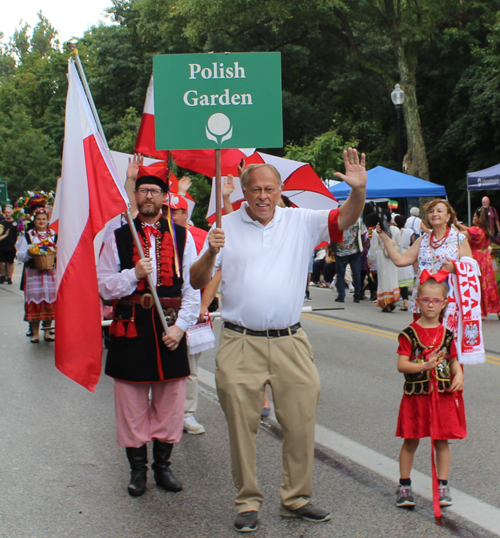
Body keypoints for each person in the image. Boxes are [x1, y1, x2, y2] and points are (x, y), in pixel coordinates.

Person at [190, 148, 367, 533]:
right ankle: (247, 501)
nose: (263, 196)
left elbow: (345, 219)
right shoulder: (225, 226)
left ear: (281, 189)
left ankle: (296, 498)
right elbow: (197, 280)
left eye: (270, 189)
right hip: (239, 342)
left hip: (290, 341)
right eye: (255, 189)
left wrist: (358, 191)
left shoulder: (300, 221)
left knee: (301, 420)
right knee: (241, 425)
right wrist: (211, 252)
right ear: (244, 190)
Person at [97, 165, 200, 497]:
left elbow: (193, 290)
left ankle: (162, 467)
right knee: (131, 402)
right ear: (136, 195)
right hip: (131, 326)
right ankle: (137, 470)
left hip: (169, 325)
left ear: (164, 197)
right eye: (143, 191)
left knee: (171, 403)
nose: (148, 197)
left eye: (154, 191)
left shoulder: (182, 236)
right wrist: (132, 274)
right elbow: (103, 286)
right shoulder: (118, 236)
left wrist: (182, 327)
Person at [395, 273, 466, 510]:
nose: (431, 305)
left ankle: (443, 486)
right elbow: (401, 364)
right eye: (426, 300)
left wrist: (459, 374)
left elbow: (453, 360)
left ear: (444, 303)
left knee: (442, 441)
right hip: (417, 397)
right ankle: (404, 486)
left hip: (442, 396)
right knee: (411, 441)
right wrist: (423, 366)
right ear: (418, 301)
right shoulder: (409, 333)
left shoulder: (447, 334)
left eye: (436, 301)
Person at [163, 193, 217, 435]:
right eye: (166, 211)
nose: (170, 216)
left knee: (190, 368)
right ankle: (162, 413)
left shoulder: (202, 237)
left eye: (174, 212)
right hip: (165, 313)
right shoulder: (155, 236)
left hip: (193, 312)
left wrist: (203, 305)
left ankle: (187, 413)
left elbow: (217, 272)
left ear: (186, 214)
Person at [376, 199, 473, 314]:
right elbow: (400, 260)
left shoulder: (458, 239)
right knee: (422, 331)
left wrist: (455, 268)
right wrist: (385, 238)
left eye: (439, 211)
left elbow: (471, 269)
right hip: (424, 300)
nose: (435, 214)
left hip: (448, 301)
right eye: (431, 211)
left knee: (445, 332)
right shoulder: (423, 240)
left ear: (448, 217)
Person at [16, 208, 57, 342]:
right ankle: (34, 334)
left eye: (44, 219)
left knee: (50, 302)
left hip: (50, 273)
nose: (41, 222)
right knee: (34, 302)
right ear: (34, 220)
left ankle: (47, 332)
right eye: (39, 219)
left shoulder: (53, 234)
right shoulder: (28, 235)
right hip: (33, 273)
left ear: (47, 220)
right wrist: (30, 253)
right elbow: (20, 255)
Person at [455, 207, 500, 319]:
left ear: (480, 218)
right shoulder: (486, 229)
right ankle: (496, 309)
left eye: (475, 216)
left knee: (477, 284)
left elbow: (460, 234)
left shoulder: (476, 230)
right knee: (489, 284)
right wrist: (458, 224)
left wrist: (452, 225)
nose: (474, 218)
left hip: (477, 259)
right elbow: (469, 229)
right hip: (486, 259)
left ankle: (481, 310)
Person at [368, 211, 401, 312]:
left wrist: (370, 259)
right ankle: (393, 300)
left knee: (383, 279)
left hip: (382, 255)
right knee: (393, 278)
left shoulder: (376, 231)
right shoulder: (395, 229)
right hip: (393, 255)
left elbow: (373, 247)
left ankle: (386, 303)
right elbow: (400, 244)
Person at [334, 218, 366, 303]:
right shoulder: (358, 220)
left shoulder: (338, 220)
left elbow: (333, 235)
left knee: (340, 274)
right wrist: (361, 247)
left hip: (341, 251)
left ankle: (341, 296)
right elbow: (362, 234)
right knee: (356, 274)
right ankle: (357, 296)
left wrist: (332, 249)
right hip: (354, 250)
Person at [394, 215, 415, 311]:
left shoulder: (396, 232)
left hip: (398, 253)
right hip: (406, 252)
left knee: (397, 280)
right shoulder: (408, 231)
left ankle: (395, 298)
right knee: (404, 282)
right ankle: (405, 301)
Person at [0, 205, 17, 284]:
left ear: (12, 213)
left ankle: (9, 277)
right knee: (1, 261)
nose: (7, 214)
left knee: (10, 262)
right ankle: (2, 275)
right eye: (6, 212)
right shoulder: (2, 223)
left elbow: (18, 234)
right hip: (2, 244)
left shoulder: (15, 223)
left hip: (11, 245)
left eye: (9, 212)